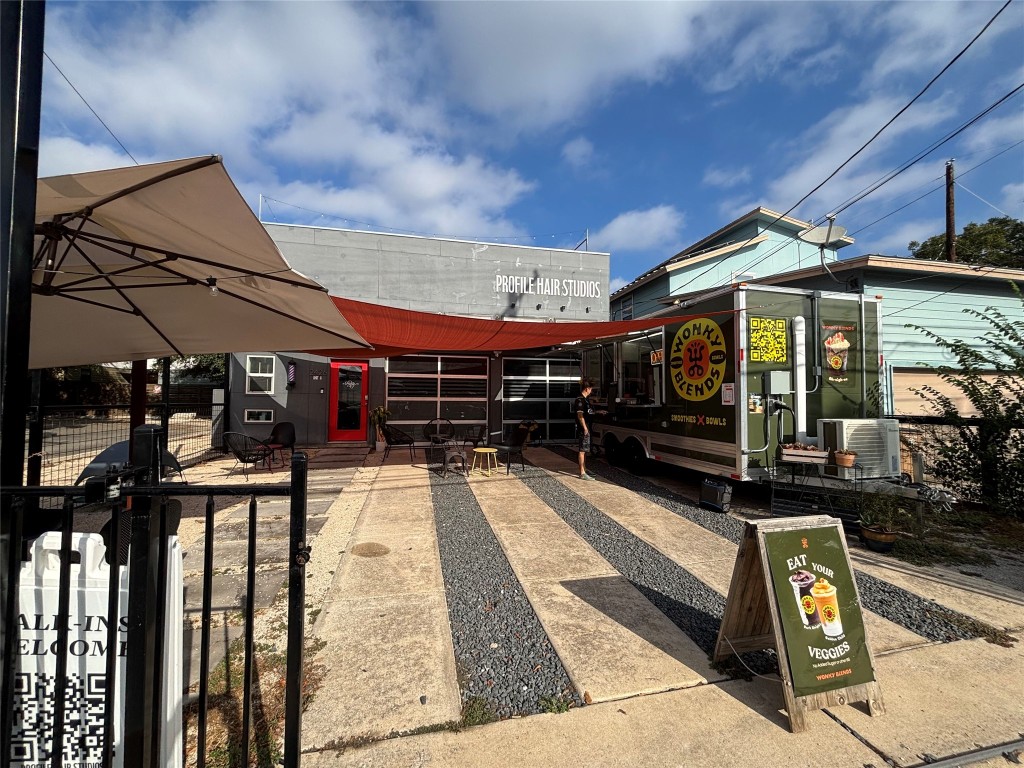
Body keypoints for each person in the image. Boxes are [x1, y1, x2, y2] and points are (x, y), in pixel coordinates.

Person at [574, 378, 606, 480]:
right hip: (584, 428)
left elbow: (589, 412)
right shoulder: (580, 400)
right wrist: (584, 428)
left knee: (586, 449)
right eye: (591, 389)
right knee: (582, 450)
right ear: (587, 389)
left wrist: (598, 411)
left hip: (588, 427)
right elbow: (580, 415)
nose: (591, 391)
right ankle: (582, 473)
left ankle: (585, 468)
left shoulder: (586, 400)